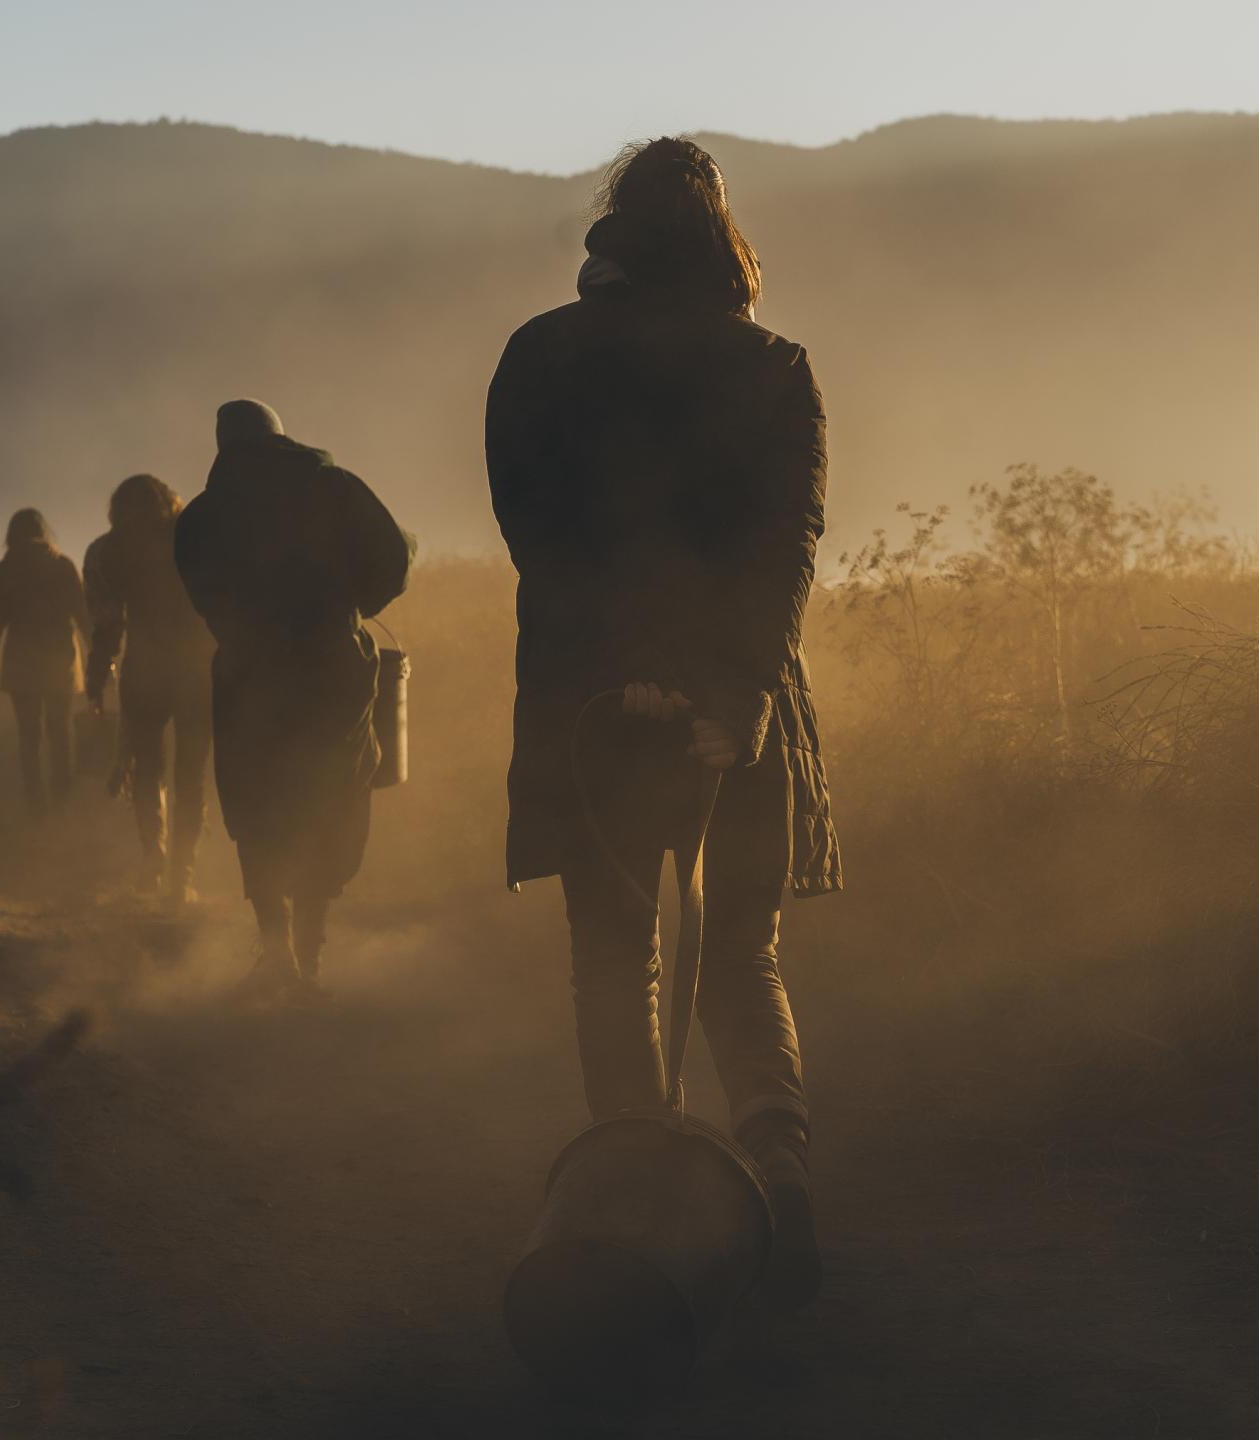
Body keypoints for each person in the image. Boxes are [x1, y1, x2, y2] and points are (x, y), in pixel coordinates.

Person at [484, 137, 839, 1309]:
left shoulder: (537, 356)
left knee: (613, 954)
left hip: (589, 703)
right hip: (737, 701)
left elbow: (541, 539)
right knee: (739, 953)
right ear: (718, 233)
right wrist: (729, 694)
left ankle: (635, 1208)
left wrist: (626, 672)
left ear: (611, 233)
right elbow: (782, 548)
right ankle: (778, 1178)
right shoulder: (774, 363)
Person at [174, 399, 413, 991]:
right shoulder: (333, 487)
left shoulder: (202, 515)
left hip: (248, 673)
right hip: (334, 667)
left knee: (255, 802)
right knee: (334, 789)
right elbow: (392, 559)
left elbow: (202, 595)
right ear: (282, 437)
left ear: (223, 444)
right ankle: (311, 948)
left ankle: (276, 946)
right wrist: (352, 611)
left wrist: (242, 632)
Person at [83, 474, 215, 898]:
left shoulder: (109, 551)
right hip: (196, 673)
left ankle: (153, 858)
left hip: (144, 671)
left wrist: (97, 674)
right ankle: (184, 875)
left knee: (148, 771)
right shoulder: (195, 541)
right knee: (191, 775)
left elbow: (107, 624)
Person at [0, 508, 89, 816]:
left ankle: (36, 807)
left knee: (29, 736)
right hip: (60, 662)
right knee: (60, 733)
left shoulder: (7, 569)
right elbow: (83, 616)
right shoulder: (62, 565)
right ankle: (62, 803)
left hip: (22, 664)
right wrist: (104, 658)